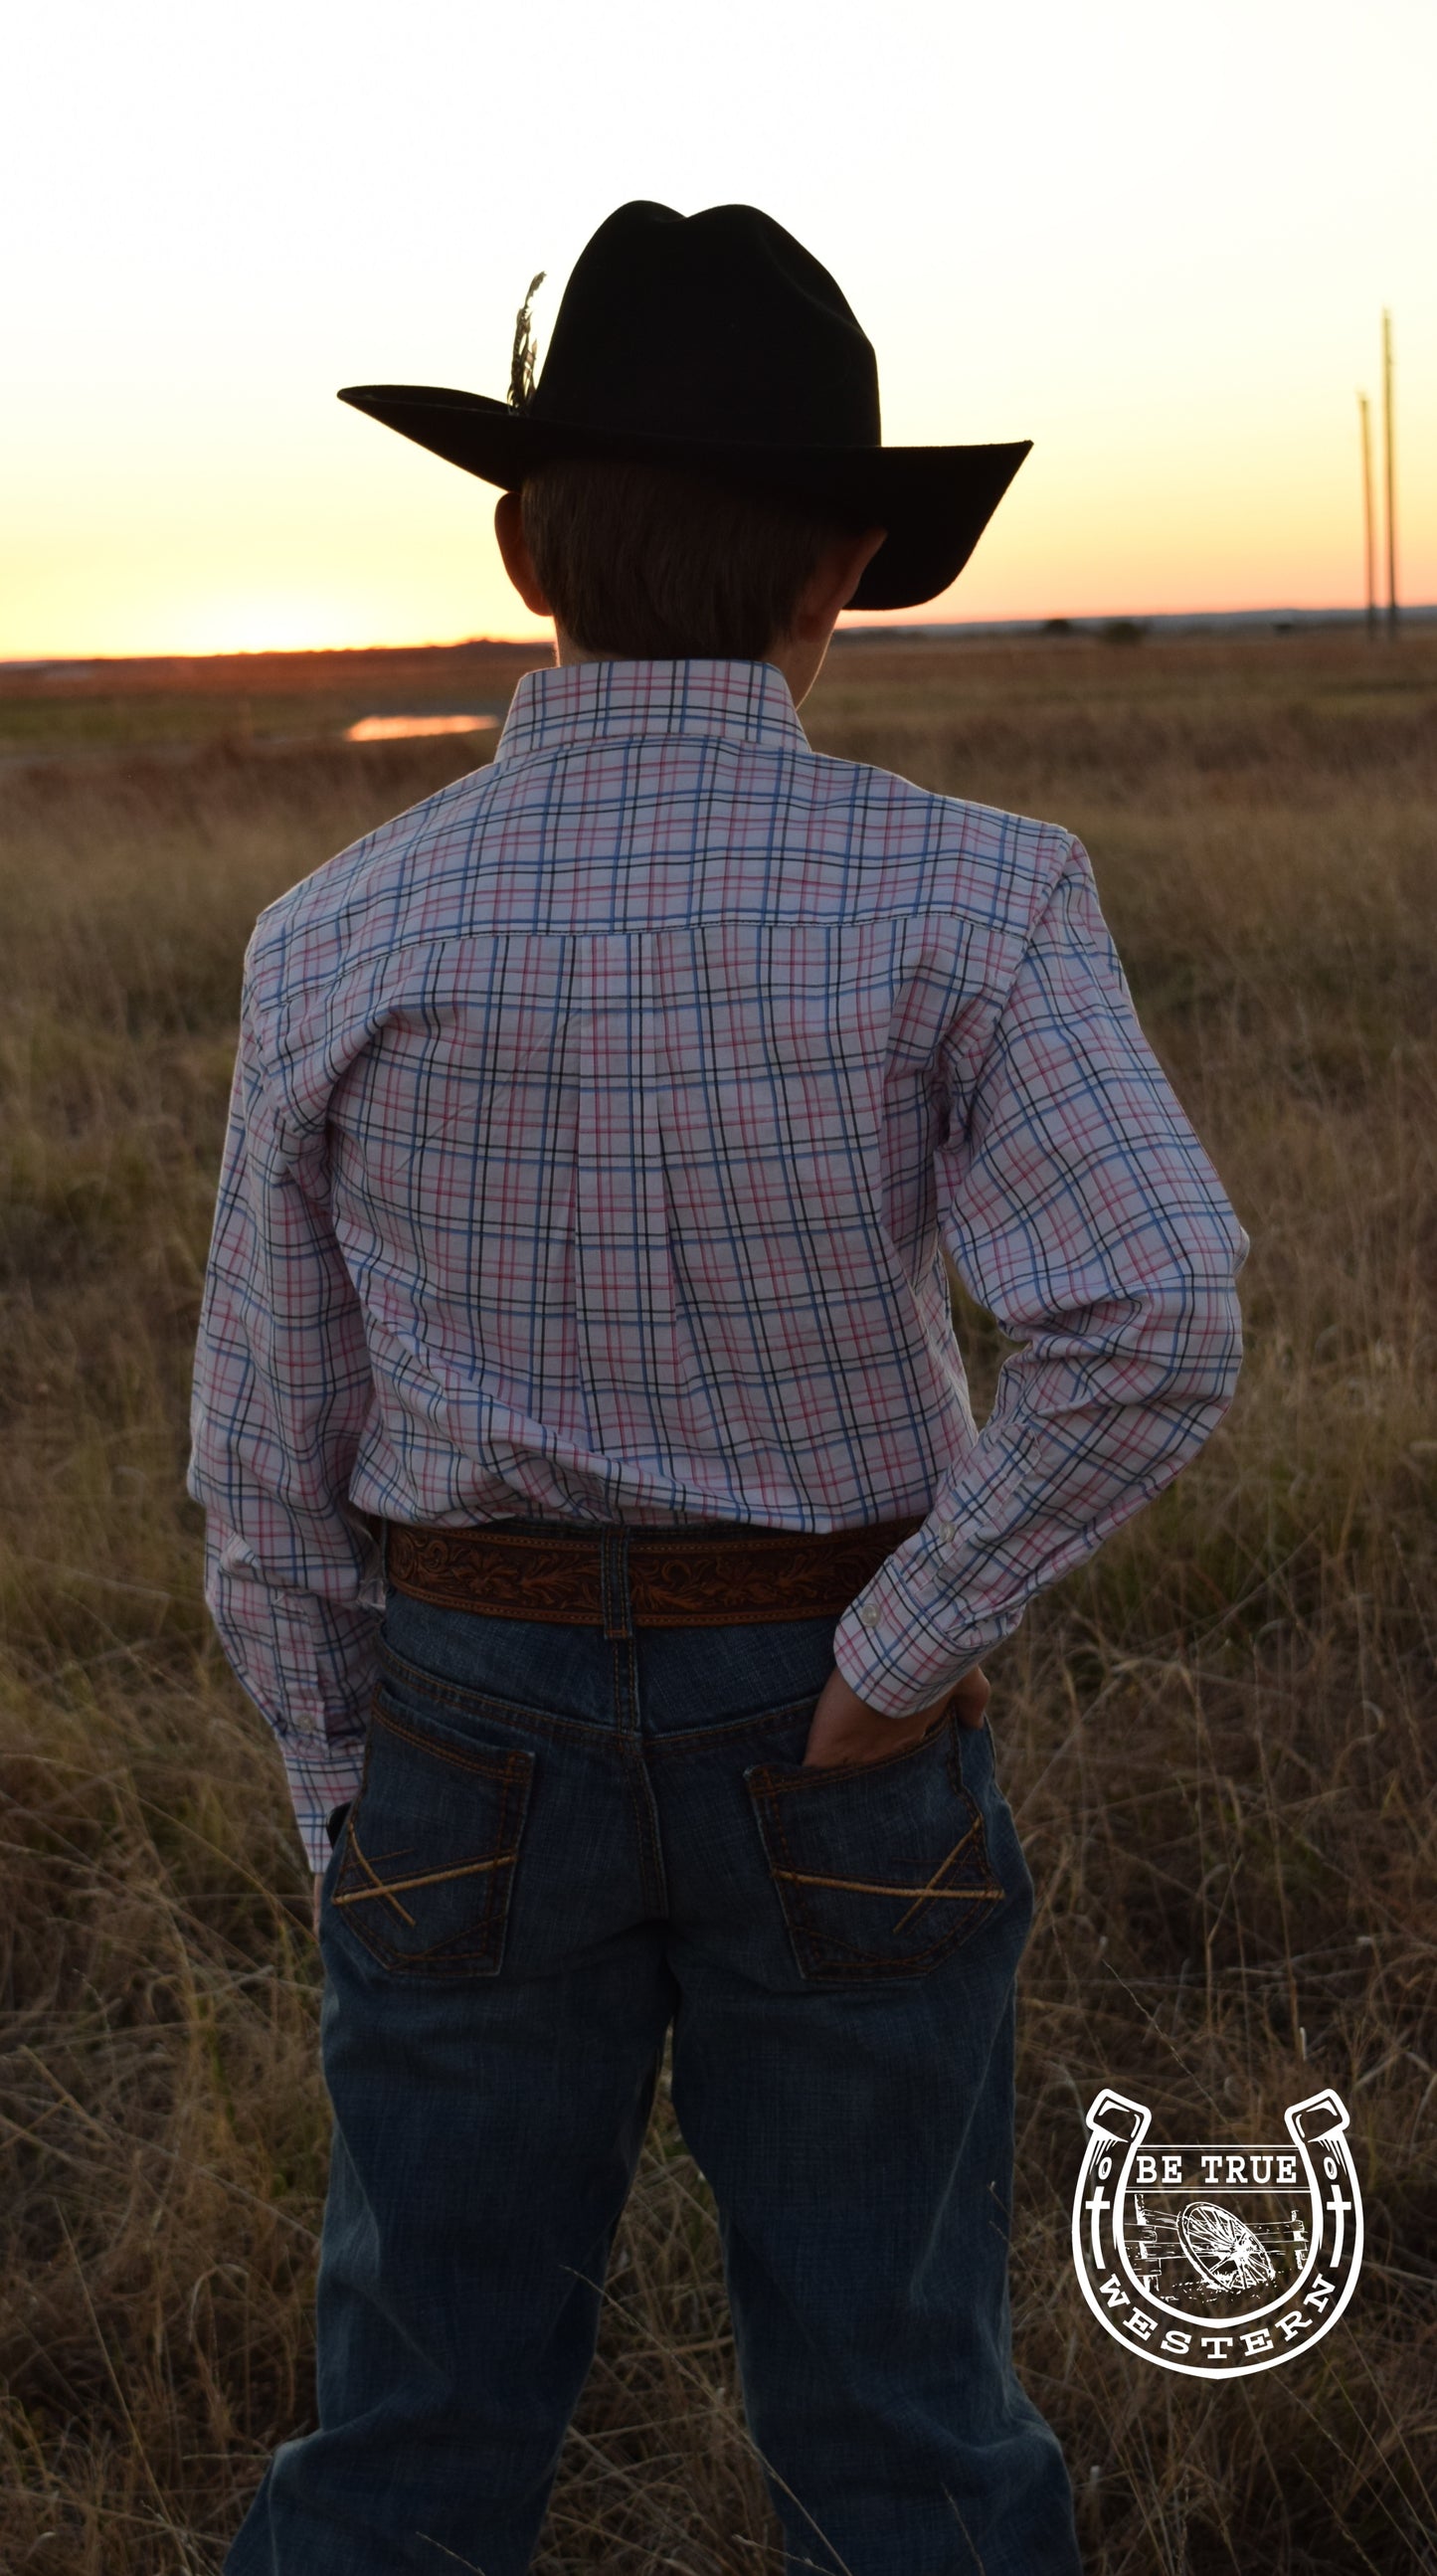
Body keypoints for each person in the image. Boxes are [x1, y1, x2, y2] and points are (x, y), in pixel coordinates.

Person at [190, 200, 1246, 2576]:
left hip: (463, 1716)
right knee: (901, 2430)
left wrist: (351, 1776)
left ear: (517, 537)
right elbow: (1156, 1311)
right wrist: (897, 1648)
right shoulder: (978, 891)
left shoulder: (341, 923)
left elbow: (259, 1452)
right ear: (853, 564)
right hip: (838, 1725)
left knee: (413, 2433)